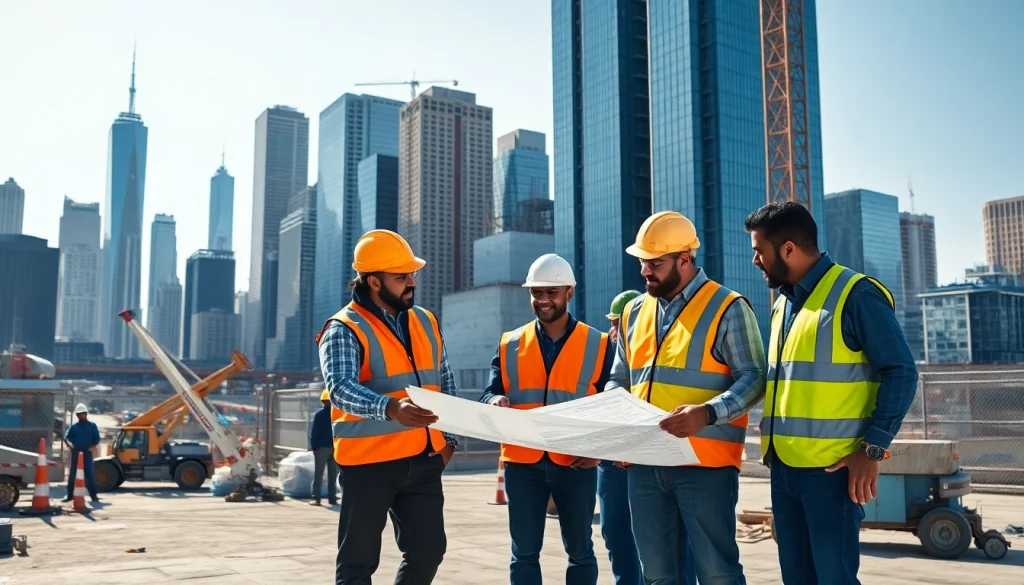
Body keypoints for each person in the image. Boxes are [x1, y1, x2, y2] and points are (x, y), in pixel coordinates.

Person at [744, 202, 918, 585]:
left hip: (833, 472)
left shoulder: (856, 295)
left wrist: (872, 449)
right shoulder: (782, 307)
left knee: (834, 578)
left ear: (788, 249)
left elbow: (901, 372)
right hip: (785, 468)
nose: (755, 259)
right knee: (797, 577)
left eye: (759, 250)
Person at [607, 211, 767, 585]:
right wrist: (617, 417)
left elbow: (755, 378)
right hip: (645, 464)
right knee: (658, 576)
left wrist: (708, 414)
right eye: (643, 262)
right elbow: (619, 377)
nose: (646, 271)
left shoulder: (728, 307)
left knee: (717, 574)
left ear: (684, 258)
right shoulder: (633, 312)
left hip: (705, 466)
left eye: (655, 263)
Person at [317, 229, 459, 585]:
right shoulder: (344, 327)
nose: (411, 282)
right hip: (368, 463)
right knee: (357, 564)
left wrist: (450, 439)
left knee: (429, 551)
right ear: (374, 282)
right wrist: (391, 408)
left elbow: (444, 379)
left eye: (411, 274)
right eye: (401, 277)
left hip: (424, 458)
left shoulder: (425, 320)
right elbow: (340, 389)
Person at [479, 253, 614, 585]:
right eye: (536, 293)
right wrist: (494, 400)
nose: (542, 300)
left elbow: (613, 405)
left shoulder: (597, 344)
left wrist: (597, 449)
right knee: (523, 553)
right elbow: (488, 392)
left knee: (580, 550)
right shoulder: (509, 343)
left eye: (551, 293)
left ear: (570, 293)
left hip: (575, 462)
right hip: (522, 463)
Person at [598, 290, 644, 585]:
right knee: (614, 532)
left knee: (660, 538)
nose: (616, 330)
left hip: (644, 457)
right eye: (614, 322)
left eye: (622, 321)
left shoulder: (648, 354)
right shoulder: (602, 355)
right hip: (610, 459)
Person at [63, 403, 100, 503]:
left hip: (87, 454)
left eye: (82, 414)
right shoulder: (74, 427)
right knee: (72, 475)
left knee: (89, 474)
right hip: (75, 454)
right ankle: (70, 495)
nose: (80, 416)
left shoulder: (92, 426)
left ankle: (94, 496)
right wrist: (70, 445)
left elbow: (96, 439)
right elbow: (66, 437)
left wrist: (92, 447)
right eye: (78, 414)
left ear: (86, 414)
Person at [309, 389, 339, 506]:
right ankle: (332, 498)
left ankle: (316, 498)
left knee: (319, 473)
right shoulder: (337, 414)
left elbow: (314, 432)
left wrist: (314, 447)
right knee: (333, 474)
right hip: (335, 447)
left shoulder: (319, 414)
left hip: (321, 448)